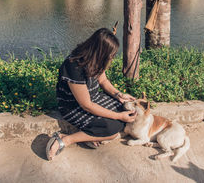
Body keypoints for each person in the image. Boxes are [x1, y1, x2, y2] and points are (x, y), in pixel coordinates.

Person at [46, 28, 137, 161]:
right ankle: (66, 139)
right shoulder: (73, 66)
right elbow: (86, 105)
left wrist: (119, 95)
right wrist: (118, 116)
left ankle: (91, 135)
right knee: (112, 128)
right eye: (111, 55)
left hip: (94, 97)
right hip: (73, 106)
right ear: (100, 52)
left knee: (124, 108)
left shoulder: (97, 60)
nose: (112, 58)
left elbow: (103, 80)